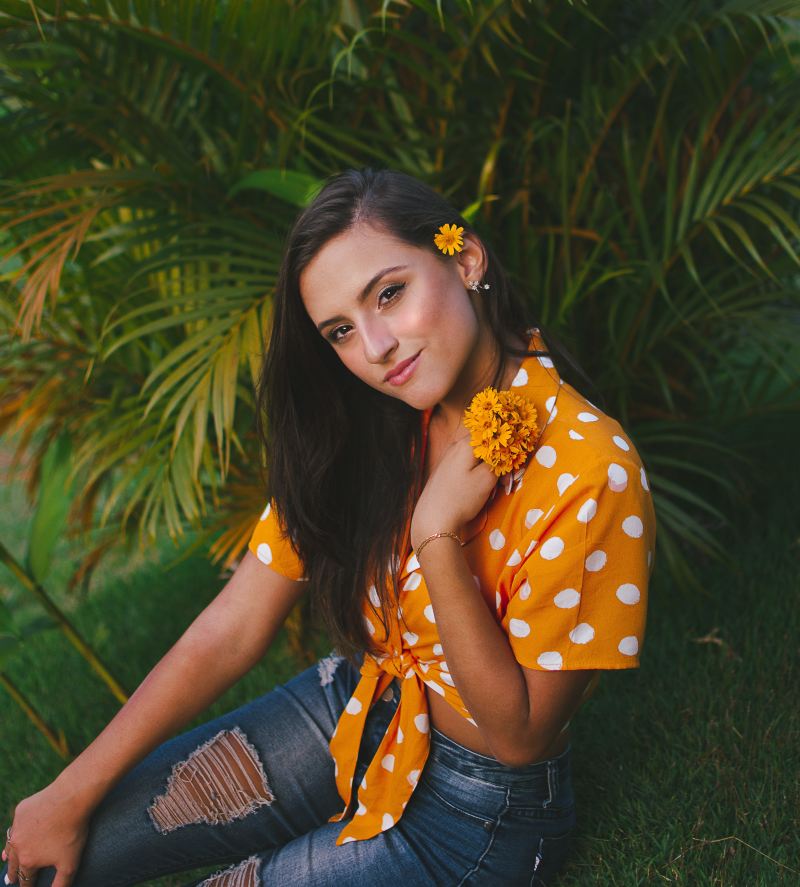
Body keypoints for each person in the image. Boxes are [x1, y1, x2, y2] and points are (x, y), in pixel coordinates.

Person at [2, 168, 656, 887]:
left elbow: (520, 735)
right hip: (360, 703)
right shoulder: (369, 426)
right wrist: (68, 791)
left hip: (478, 814)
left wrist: (438, 533)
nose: (375, 347)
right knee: (69, 846)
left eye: (390, 293)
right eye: (341, 330)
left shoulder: (590, 469)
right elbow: (233, 625)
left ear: (465, 259)